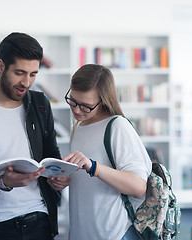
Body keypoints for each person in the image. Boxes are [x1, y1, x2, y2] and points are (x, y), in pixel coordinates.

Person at [0, 32, 70, 240]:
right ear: (1, 67)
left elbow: (52, 154)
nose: (26, 82)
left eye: (33, 74)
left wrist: (60, 176)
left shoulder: (40, 104)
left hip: (40, 221)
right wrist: (2, 182)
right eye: (19, 73)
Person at [63, 64, 152, 240]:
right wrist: (65, 178)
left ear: (103, 101)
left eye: (85, 106)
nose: (76, 110)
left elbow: (138, 186)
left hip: (114, 234)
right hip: (84, 232)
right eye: (72, 100)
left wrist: (93, 166)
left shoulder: (117, 126)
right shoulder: (79, 126)